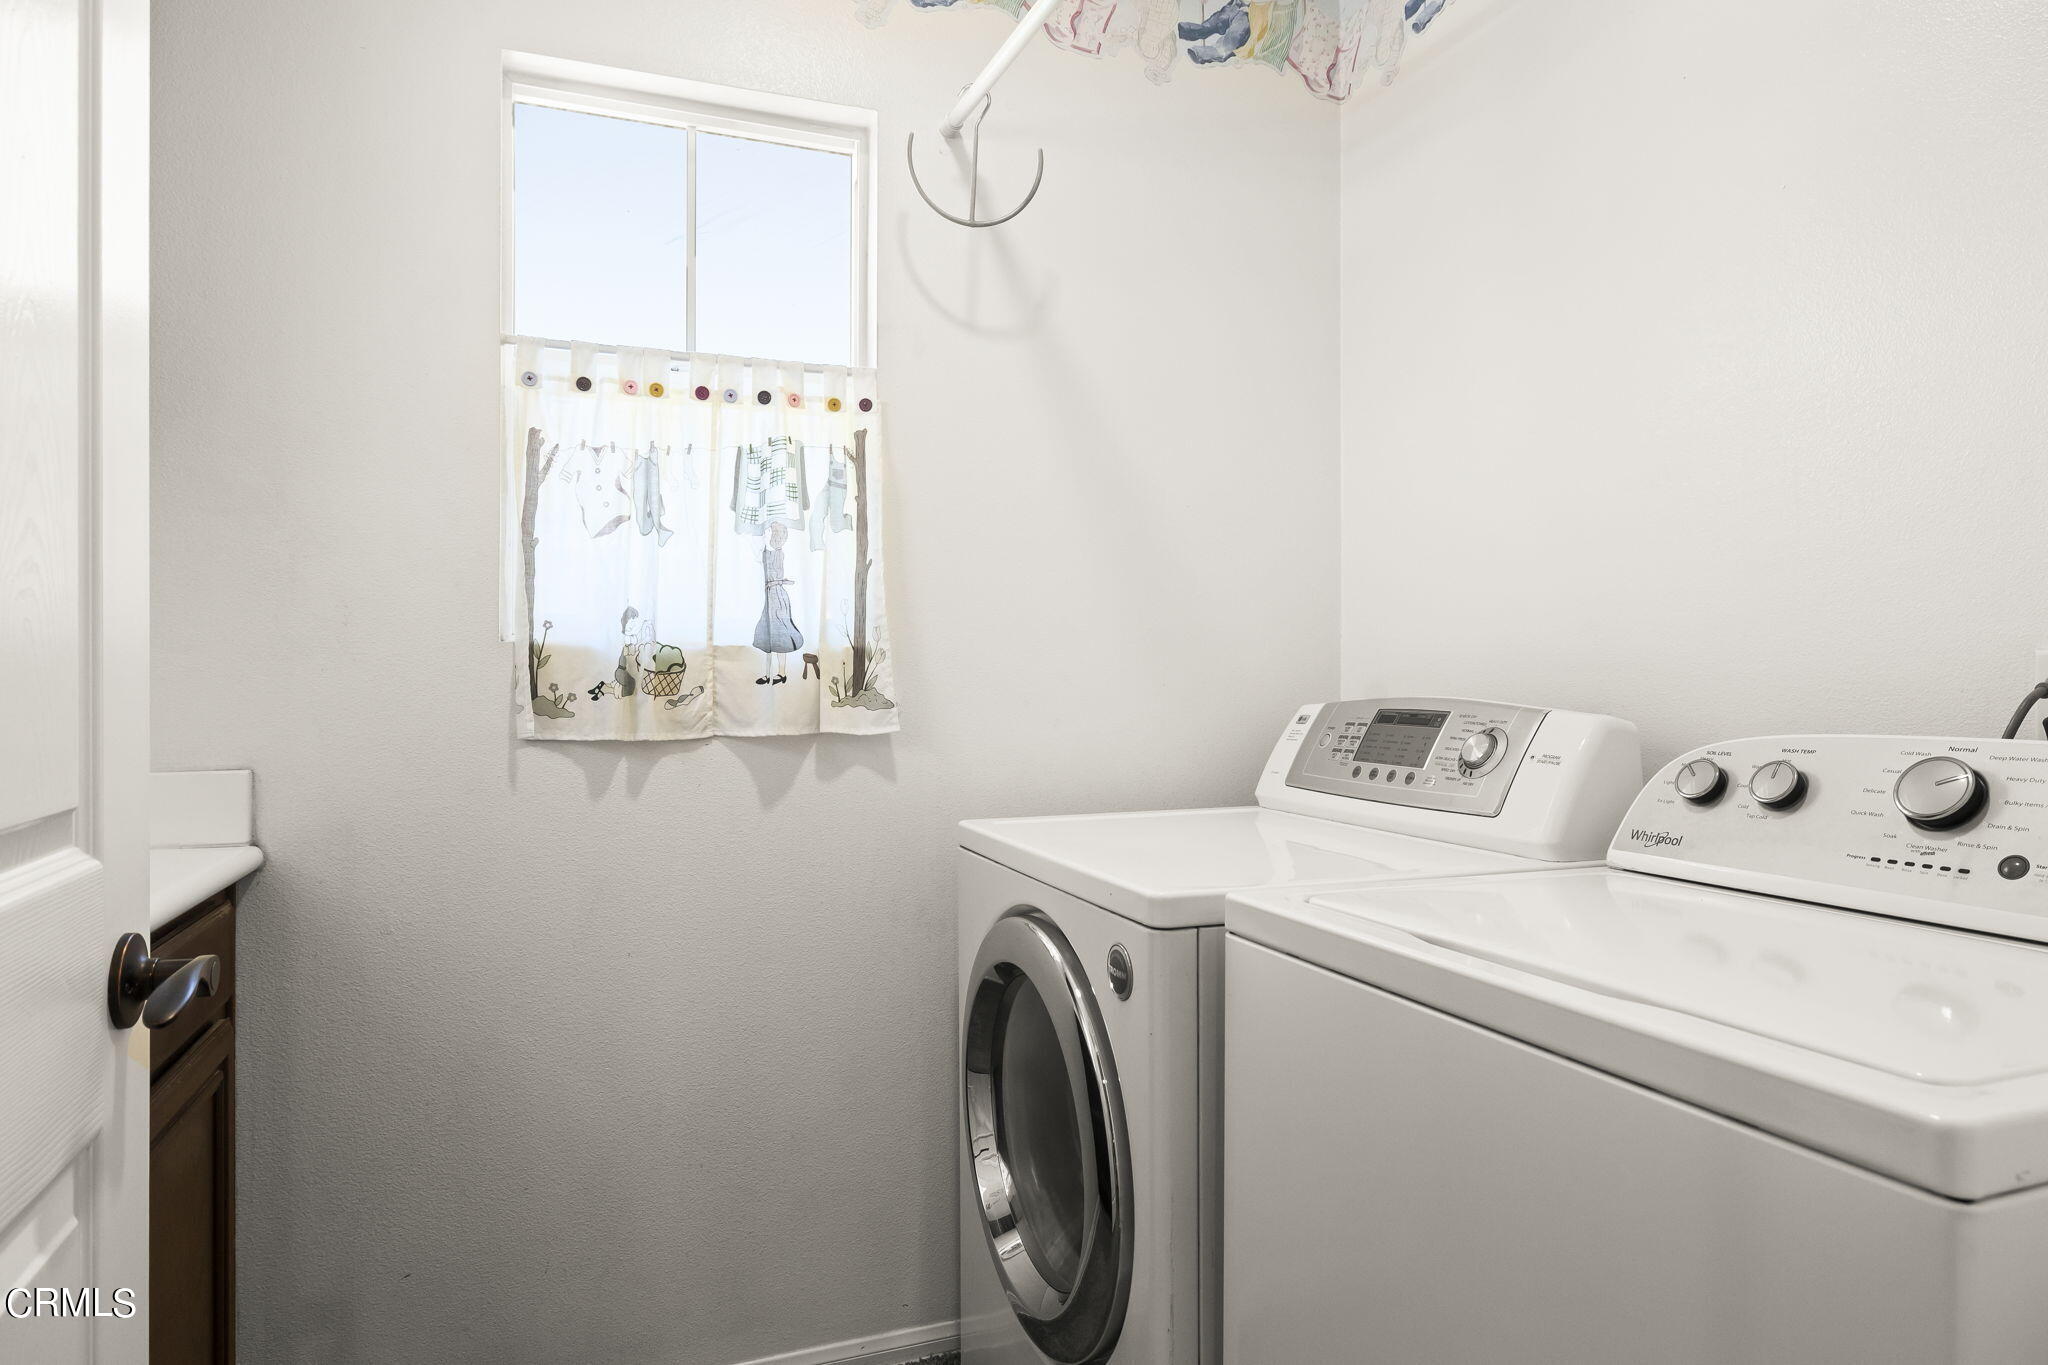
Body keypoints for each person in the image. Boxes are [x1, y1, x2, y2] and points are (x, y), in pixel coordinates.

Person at [752, 522, 803, 684]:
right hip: (769, 596)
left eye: (772, 532)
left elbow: (774, 575)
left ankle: (781, 673)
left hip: (777, 597)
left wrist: (776, 582)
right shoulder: (765, 552)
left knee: (781, 634)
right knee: (767, 634)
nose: (770, 535)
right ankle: (767, 674)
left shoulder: (777, 553)